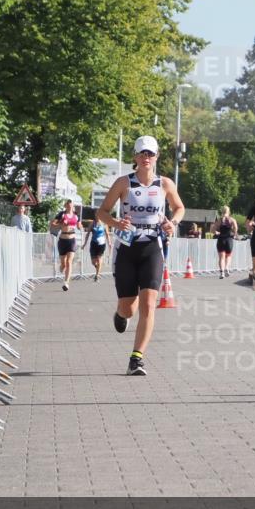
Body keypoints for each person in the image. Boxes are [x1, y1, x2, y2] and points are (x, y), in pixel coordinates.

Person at [97, 135, 184, 376]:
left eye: (151, 153)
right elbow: (102, 212)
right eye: (142, 153)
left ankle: (136, 359)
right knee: (129, 309)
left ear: (157, 157)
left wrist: (173, 223)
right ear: (135, 156)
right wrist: (116, 223)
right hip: (127, 249)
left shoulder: (164, 184)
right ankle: (120, 313)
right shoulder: (123, 183)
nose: (146, 157)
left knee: (148, 304)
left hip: (152, 248)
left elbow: (179, 207)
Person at [50, 199, 80, 291]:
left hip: (72, 240)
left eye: (71, 205)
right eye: (68, 205)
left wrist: (80, 226)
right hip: (63, 240)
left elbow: (79, 226)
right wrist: (61, 223)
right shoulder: (62, 214)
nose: (70, 207)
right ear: (65, 206)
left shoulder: (76, 215)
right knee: (63, 264)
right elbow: (53, 223)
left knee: (69, 262)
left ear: (73, 206)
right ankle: (62, 266)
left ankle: (66, 283)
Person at [211, 206, 238, 278]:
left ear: (222, 212)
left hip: (221, 239)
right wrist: (234, 235)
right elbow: (236, 229)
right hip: (229, 239)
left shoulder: (219, 220)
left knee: (221, 257)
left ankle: (222, 272)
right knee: (228, 256)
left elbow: (212, 230)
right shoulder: (232, 220)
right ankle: (227, 268)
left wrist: (217, 233)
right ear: (229, 212)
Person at [83, 216, 109, 281]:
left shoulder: (104, 223)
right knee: (93, 262)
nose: (98, 217)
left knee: (99, 259)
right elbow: (87, 234)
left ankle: (97, 275)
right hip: (94, 243)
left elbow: (107, 234)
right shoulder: (92, 223)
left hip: (101, 244)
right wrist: (84, 244)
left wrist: (109, 243)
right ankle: (97, 267)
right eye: (96, 215)